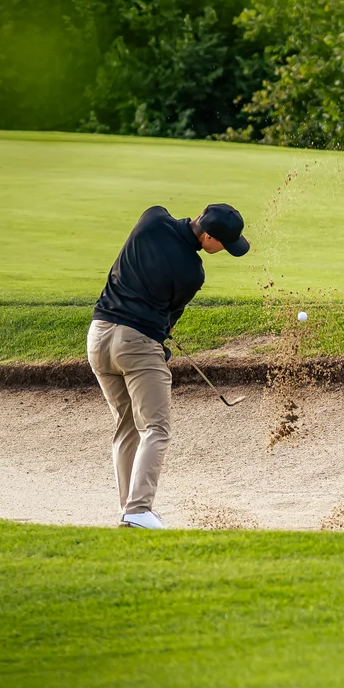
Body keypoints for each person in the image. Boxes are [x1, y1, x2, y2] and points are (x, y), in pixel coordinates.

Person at [87, 203, 249, 529]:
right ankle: (138, 509)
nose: (223, 251)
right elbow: (167, 323)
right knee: (156, 429)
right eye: (223, 244)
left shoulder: (152, 216)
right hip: (136, 346)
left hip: (98, 337)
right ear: (207, 236)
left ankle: (130, 511)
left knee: (127, 426)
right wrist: (159, 340)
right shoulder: (193, 272)